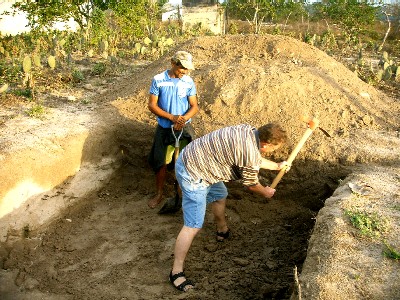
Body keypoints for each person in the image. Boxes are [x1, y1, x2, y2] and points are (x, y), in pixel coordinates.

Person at [168, 123, 288, 292]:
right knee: (193, 225)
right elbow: (252, 184)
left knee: (219, 195)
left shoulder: (249, 130)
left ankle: (222, 229)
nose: (273, 151)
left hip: (204, 163)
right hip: (193, 173)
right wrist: (266, 192)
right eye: (273, 148)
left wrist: (276, 166)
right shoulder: (249, 154)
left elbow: (254, 158)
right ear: (265, 144)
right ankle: (176, 272)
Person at [147, 51, 199, 209]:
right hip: (164, 127)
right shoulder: (158, 80)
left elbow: (194, 106)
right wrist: (172, 118)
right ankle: (159, 193)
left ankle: (181, 193)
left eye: (187, 69)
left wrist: (182, 120)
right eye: (182, 68)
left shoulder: (188, 82)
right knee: (161, 162)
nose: (184, 71)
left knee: (184, 162)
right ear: (173, 63)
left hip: (183, 128)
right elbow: (152, 105)